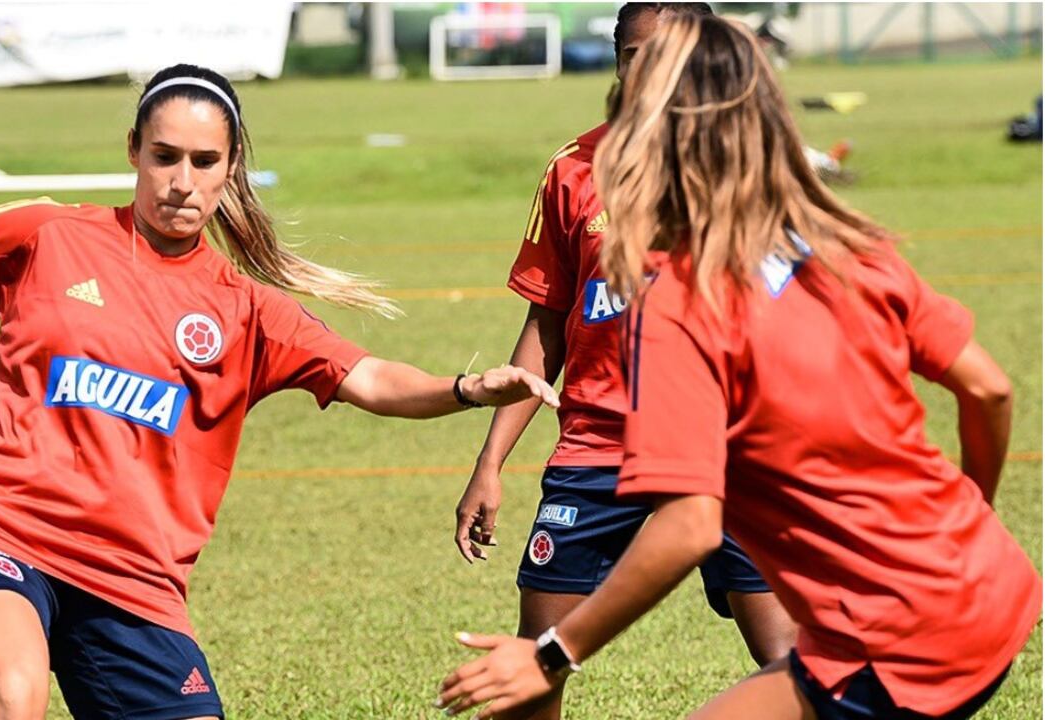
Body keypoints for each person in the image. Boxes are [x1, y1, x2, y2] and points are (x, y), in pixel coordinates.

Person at [0, 63, 560, 720]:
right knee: (15, 692)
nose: (182, 181)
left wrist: (464, 387)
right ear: (133, 153)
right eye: (164, 156)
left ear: (231, 168)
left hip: (134, 583)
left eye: (204, 162)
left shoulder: (246, 310)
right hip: (1, 538)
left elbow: (372, 379)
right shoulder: (50, 234)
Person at [437, 15, 1040, 720]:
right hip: (990, 589)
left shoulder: (682, 306)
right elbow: (990, 388)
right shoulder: (848, 246)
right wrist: (974, 516)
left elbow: (692, 522)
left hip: (896, 639)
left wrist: (550, 653)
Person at [452, 5, 797, 717]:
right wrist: (490, 464)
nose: (647, 72)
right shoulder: (574, 170)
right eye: (632, 54)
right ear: (614, 61)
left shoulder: (742, 161)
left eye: (664, 54)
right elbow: (546, 324)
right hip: (598, 445)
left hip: (726, 447)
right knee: (534, 663)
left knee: (793, 663)